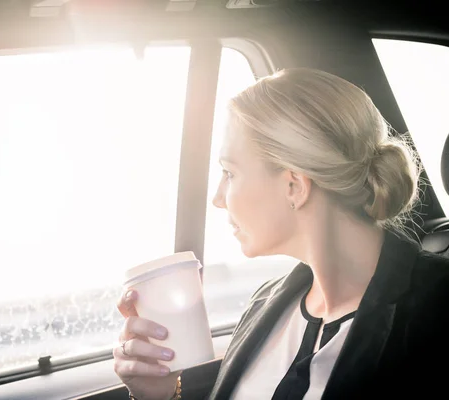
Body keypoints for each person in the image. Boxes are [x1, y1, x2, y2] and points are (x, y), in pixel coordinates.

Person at [113, 68, 449, 399]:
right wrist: (158, 396)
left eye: (230, 172)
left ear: (294, 187)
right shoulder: (266, 304)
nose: (217, 198)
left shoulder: (435, 314)